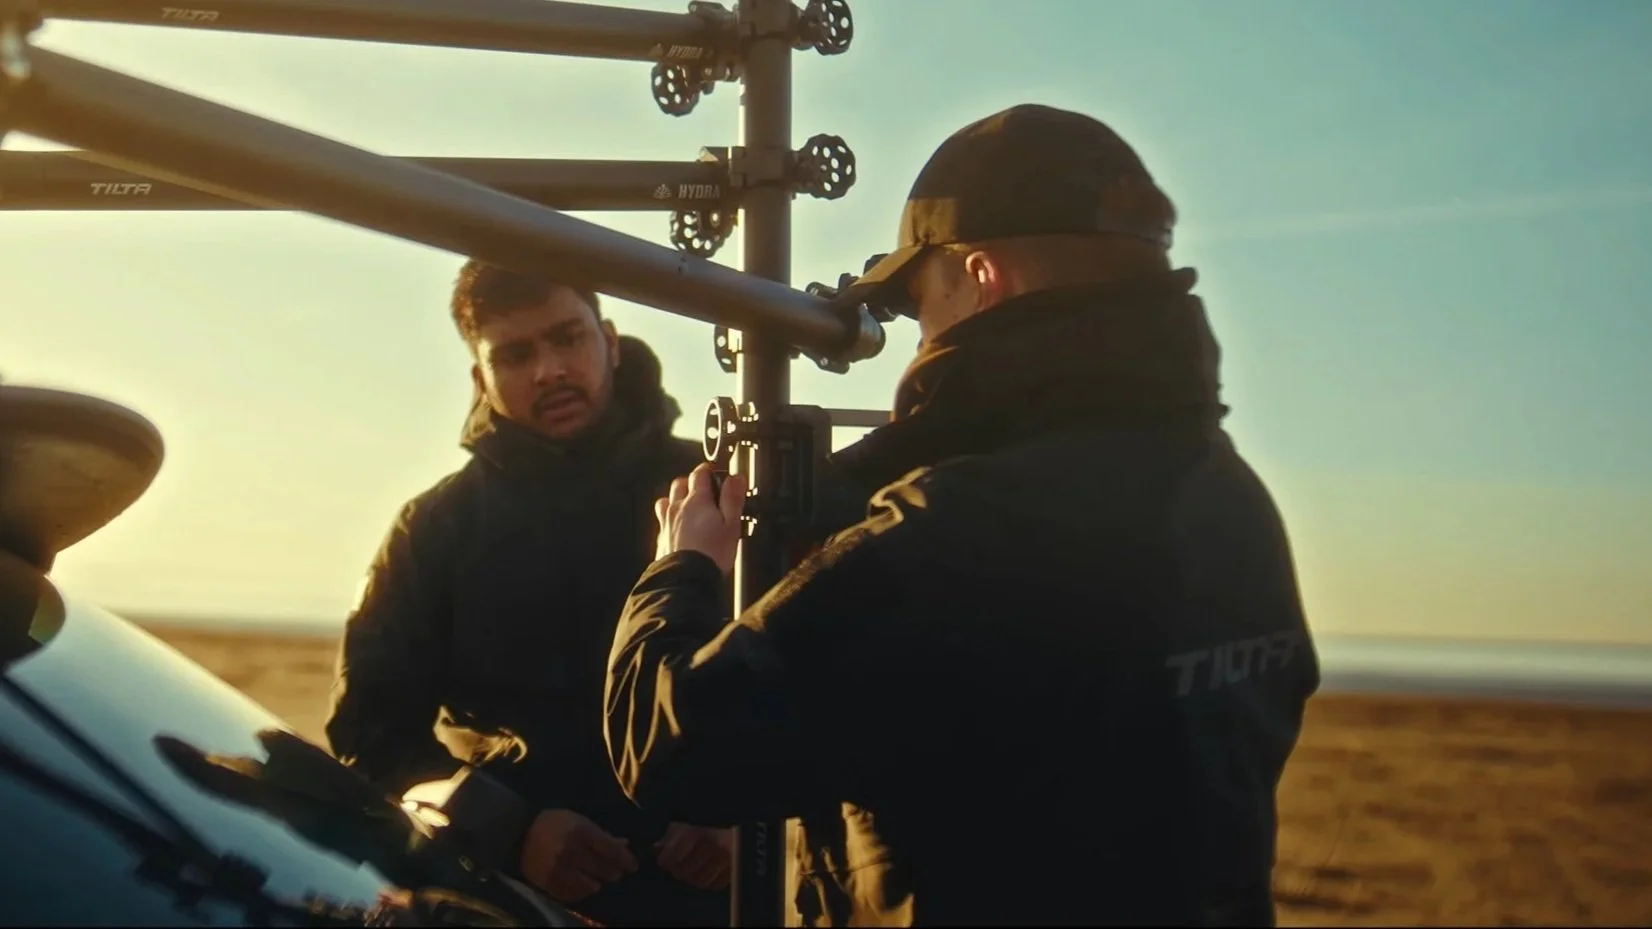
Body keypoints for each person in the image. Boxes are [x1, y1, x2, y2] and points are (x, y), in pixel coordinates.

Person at [602, 104, 1322, 926]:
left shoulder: (963, 536)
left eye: (922, 304)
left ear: (980, 279)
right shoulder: (1229, 498)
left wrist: (681, 569)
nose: (917, 343)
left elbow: (672, 752)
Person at [325, 259, 730, 927]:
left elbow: (841, 686)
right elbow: (368, 736)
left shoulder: (722, 489)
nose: (549, 370)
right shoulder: (435, 529)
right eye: (516, 354)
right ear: (480, 378)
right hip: (516, 903)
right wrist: (509, 829)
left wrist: (759, 817)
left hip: (731, 901)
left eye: (567, 337)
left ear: (610, 340)